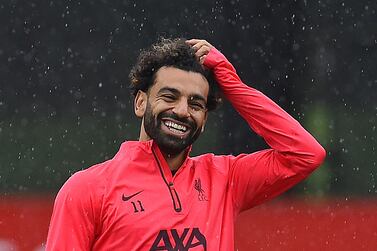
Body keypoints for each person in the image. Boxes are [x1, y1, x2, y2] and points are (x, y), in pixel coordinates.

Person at [46, 38, 326, 250]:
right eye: (169, 96)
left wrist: (233, 86)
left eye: (196, 104)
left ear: (204, 119)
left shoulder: (226, 180)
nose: (182, 110)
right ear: (141, 102)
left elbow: (305, 154)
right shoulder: (86, 189)